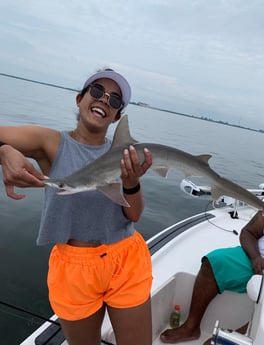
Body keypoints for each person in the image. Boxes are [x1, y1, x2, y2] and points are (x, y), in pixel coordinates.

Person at [0, 69, 153, 345]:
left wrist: (131, 183)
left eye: (115, 100)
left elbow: (134, 214)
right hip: (74, 268)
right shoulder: (50, 142)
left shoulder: (124, 155)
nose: (105, 100)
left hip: (126, 258)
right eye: (97, 91)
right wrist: (3, 151)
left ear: (117, 116)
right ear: (80, 98)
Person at [160, 197, 264, 345]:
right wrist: (255, 258)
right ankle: (191, 327)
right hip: (258, 257)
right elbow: (248, 232)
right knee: (214, 262)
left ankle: (240, 337)